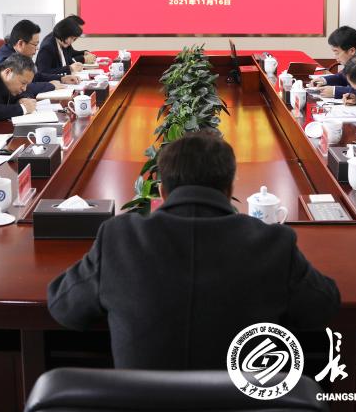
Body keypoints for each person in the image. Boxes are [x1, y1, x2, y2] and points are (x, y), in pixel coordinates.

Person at [47, 131, 340, 369]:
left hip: (142, 405)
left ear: (162, 191)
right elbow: (323, 307)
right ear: (229, 189)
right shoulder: (273, 243)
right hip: (242, 404)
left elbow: (64, 308)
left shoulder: (120, 238)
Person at [0, 19, 79, 96]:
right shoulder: (6, 61)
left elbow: (36, 76)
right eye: (35, 44)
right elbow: (21, 87)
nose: (37, 48)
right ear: (21, 43)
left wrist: (61, 78)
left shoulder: (16, 53)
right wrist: (50, 85)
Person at [311, 26, 356, 99]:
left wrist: (335, 91)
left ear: (352, 51)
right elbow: (344, 76)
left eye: (337, 52)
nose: (335, 57)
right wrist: (324, 80)